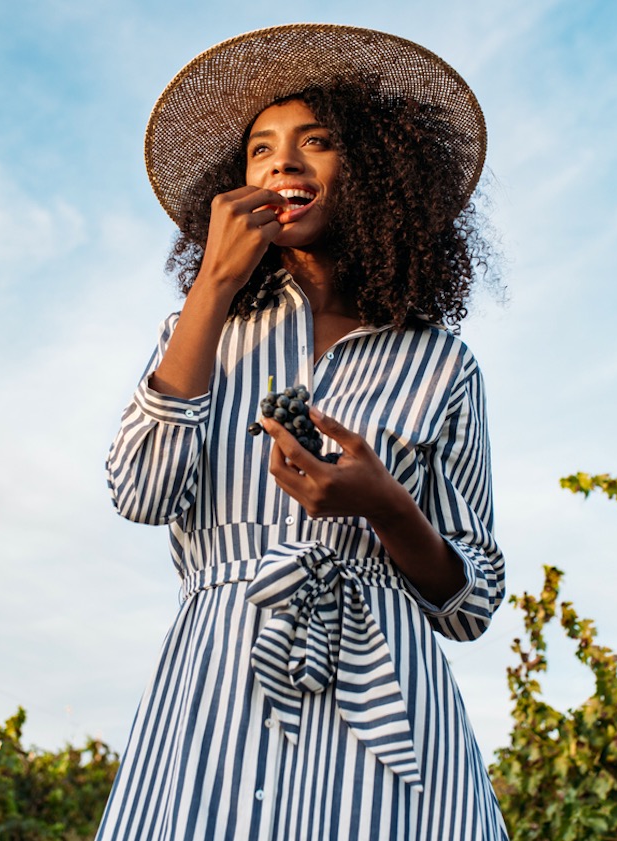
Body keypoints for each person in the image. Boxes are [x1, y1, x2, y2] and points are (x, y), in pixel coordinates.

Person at [99, 24, 508, 840]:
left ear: (374, 172)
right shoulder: (200, 330)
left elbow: (473, 601)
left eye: (316, 142)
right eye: (260, 149)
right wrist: (213, 286)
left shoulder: (440, 364)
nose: (282, 162)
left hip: (388, 702)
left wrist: (389, 507)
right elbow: (139, 492)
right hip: (219, 691)